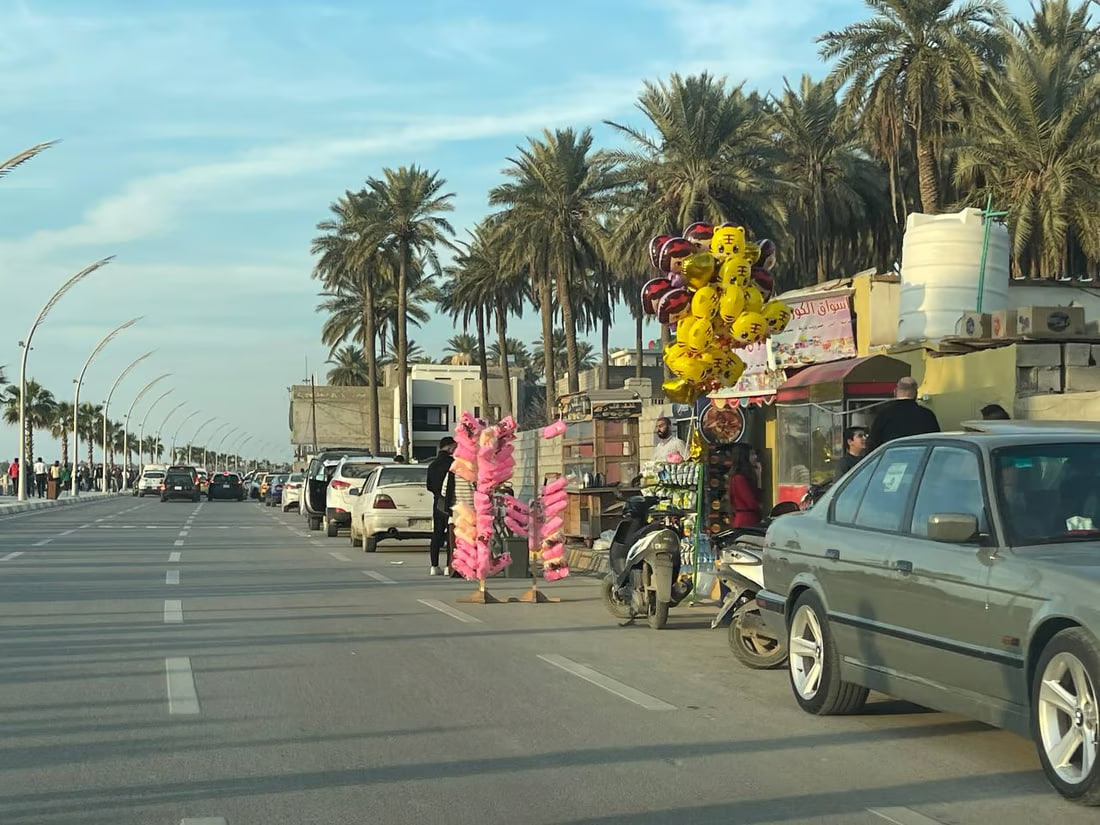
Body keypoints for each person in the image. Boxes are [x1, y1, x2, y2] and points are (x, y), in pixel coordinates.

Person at [866, 377, 940, 452]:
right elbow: (937, 443)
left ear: (895, 391)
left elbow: (872, 444)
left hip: (892, 460)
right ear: (916, 393)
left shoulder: (884, 415)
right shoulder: (928, 415)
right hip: (920, 460)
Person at [425, 436, 457, 576]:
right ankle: (448, 566)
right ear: (450, 447)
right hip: (451, 503)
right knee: (451, 534)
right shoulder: (453, 464)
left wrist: (438, 494)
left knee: (437, 534)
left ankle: (434, 565)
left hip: (437, 502)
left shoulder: (432, 465)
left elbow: (429, 486)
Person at [727, 444, 763, 528]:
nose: (755, 457)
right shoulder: (739, 478)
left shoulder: (742, 477)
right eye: (752, 454)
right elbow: (750, 502)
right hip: (747, 521)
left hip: (749, 519)